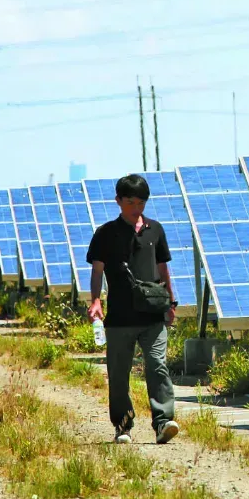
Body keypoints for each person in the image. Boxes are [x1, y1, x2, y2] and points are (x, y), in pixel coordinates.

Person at [85, 174, 180, 445]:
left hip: (152, 314)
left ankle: (163, 422)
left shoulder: (155, 230)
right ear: (118, 201)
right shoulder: (105, 234)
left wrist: (171, 303)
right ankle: (123, 425)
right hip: (119, 318)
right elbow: (97, 270)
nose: (136, 208)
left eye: (141, 202)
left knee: (157, 364)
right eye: (130, 202)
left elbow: (163, 269)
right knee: (118, 373)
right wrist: (96, 300)